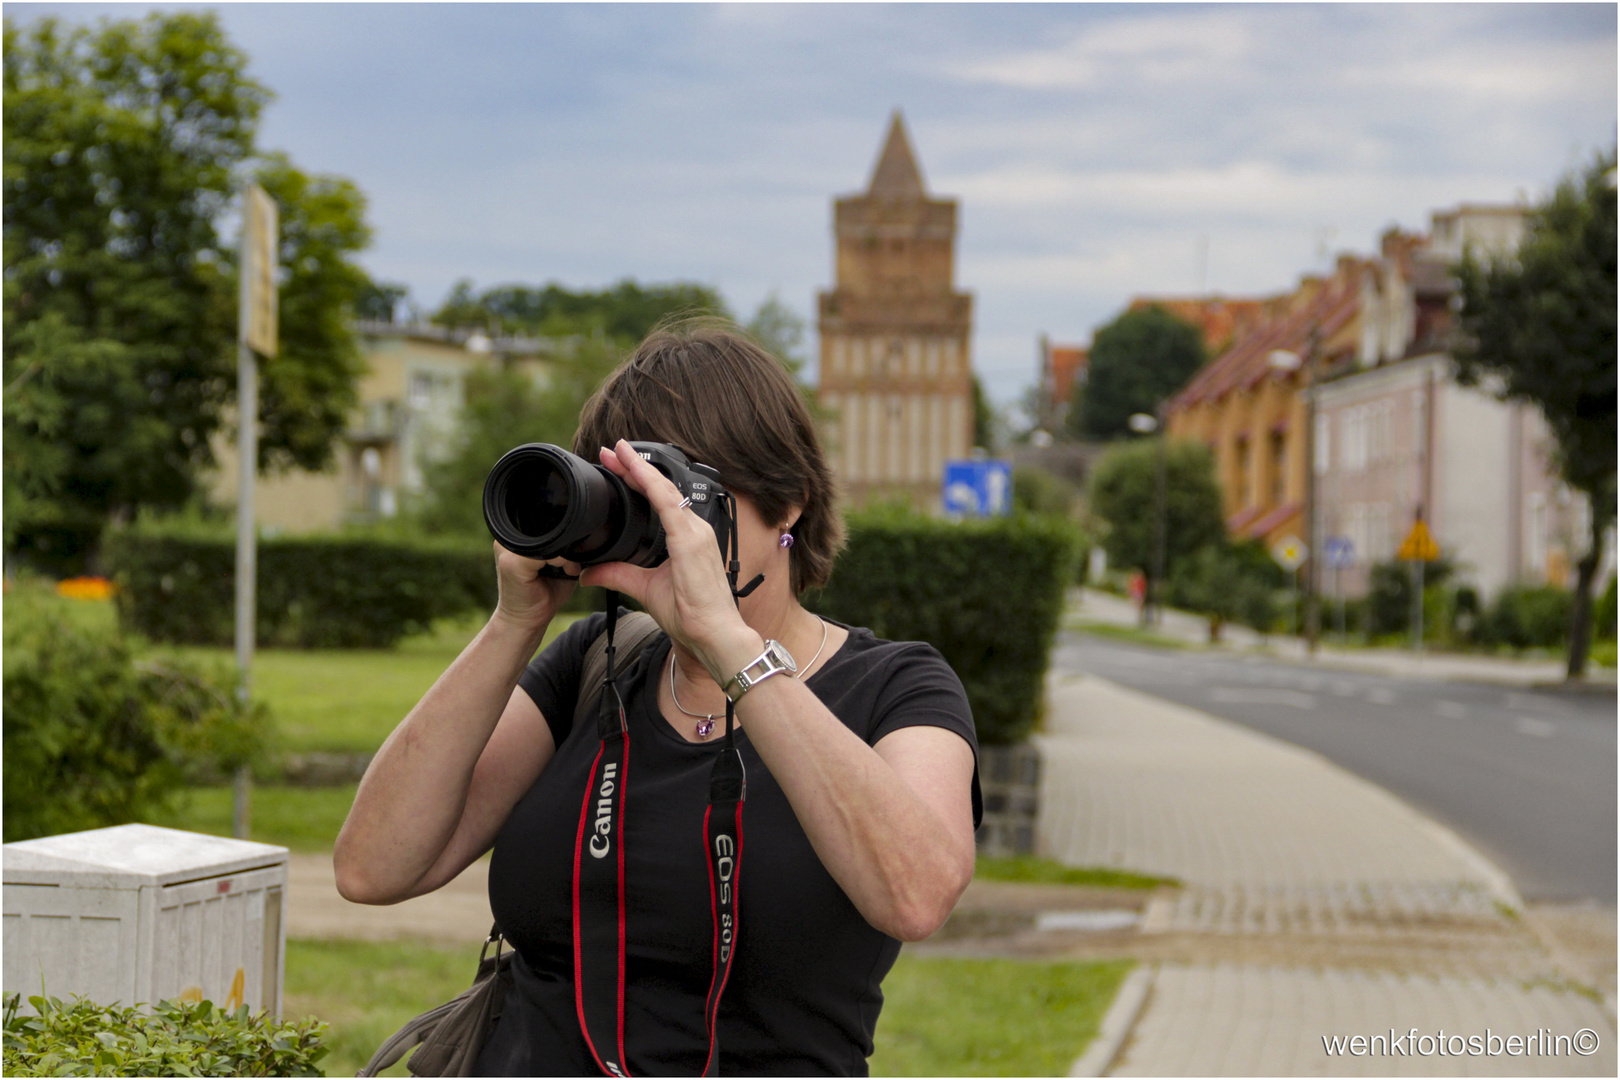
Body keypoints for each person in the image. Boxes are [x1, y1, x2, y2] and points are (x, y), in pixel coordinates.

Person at [334, 321, 982, 1076]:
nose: (662, 518)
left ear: (791, 502)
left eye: (686, 491)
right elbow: (373, 869)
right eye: (636, 491)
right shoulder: (596, 667)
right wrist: (517, 621)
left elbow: (915, 895)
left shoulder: (897, 688)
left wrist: (730, 646)